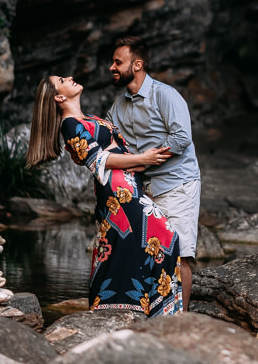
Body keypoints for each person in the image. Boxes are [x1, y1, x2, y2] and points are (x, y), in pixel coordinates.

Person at [26, 74, 183, 317]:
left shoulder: (88, 119)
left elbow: (112, 151)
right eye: (62, 80)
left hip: (128, 184)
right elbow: (97, 160)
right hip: (117, 190)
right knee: (162, 235)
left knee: (135, 242)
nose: (70, 77)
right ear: (59, 97)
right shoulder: (69, 124)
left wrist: (141, 163)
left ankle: (147, 305)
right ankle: (154, 309)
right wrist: (143, 158)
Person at [107, 35, 202, 310]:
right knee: (147, 255)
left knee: (179, 256)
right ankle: (153, 314)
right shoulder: (118, 106)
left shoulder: (165, 95)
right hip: (143, 190)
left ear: (137, 65)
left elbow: (182, 137)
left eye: (118, 62)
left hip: (177, 184)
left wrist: (145, 162)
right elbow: (108, 141)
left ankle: (181, 319)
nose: (112, 67)